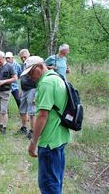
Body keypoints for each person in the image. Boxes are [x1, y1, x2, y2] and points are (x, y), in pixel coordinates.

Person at [24, 56, 70, 194]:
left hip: (49, 142)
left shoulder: (46, 83)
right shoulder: (57, 77)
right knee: (56, 180)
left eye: (30, 73)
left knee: (48, 185)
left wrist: (33, 141)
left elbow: (43, 115)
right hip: (60, 137)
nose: (30, 77)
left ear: (38, 67)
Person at [0, 50, 17, 135]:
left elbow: (15, 78)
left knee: (4, 110)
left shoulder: (9, 66)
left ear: (3, 58)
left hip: (5, 91)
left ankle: (4, 128)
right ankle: (0, 125)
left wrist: (4, 81)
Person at [17, 49, 37, 139]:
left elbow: (38, 79)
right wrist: (21, 89)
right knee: (22, 110)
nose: (23, 58)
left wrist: (37, 93)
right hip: (24, 90)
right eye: (21, 57)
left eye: (25, 57)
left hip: (32, 89)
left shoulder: (34, 65)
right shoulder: (22, 65)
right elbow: (22, 78)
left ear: (29, 55)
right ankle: (24, 127)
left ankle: (33, 132)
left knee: (32, 111)